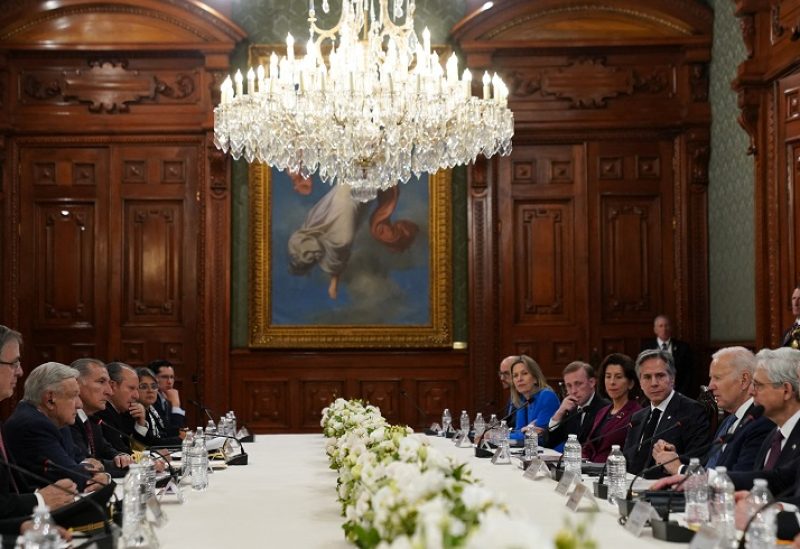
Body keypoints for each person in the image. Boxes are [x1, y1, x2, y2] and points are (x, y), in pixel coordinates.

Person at [287, 172, 418, 300]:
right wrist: (334, 283)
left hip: (353, 185)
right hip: (359, 190)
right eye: (309, 257)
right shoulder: (330, 235)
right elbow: (336, 260)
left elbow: (336, 261)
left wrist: (334, 283)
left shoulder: (316, 225)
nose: (310, 254)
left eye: (306, 255)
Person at [0, 326, 76, 535]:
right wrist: (40, 499)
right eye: (13, 363)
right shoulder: (29, 422)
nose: (20, 371)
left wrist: (22, 527)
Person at [652, 346, 772, 474]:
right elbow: (710, 465)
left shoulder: (760, 422)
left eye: (717, 378)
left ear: (744, 380)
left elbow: (738, 478)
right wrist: (673, 459)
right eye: (711, 378)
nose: (710, 386)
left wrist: (679, 469)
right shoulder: (730, 421)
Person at [3, 362, 109, 492]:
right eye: (73, 396)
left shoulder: (56, 420)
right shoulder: (33, 424)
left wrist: (93, 471)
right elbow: (73, 478)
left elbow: (81, 459)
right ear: (50, 399)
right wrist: (103, 476)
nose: (79, 404)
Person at [622, 349, 710, 478]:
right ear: (640, 383)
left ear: (672, 378)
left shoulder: (692, 412)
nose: (654, 383)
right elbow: (628, 462)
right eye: (647, 377)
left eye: (660, 376)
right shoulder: (637, 417)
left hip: (667, 490)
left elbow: (696, 462)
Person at [69, 358, 133, 476]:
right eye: (101, 381)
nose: (109, 392)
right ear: (76, 384)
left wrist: (120, 456)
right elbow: (85, 465)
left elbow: (106, 449)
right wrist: (137, 467)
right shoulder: (67, 420)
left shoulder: (92, 420)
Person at [582, 353, 642, 463]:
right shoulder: (602, 411)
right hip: (589, 472)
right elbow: (589, 447)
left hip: (613, 473)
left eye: (618, 377)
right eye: (608, 376)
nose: (612, 382)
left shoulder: (637, 413)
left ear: (631, 383)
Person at [544, 361, 609, 451]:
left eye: (578, 384)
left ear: (592, 382)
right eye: (569, 386)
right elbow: (549, 443)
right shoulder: (571, 410)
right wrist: (559, 413)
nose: (573, 391)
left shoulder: (605, 409)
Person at [95, 362, 148, 454]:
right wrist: (150, 459)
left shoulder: (123, 412)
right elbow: (124, 453)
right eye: (131, 388)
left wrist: (140, 424)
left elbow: (136, 448)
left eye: (137, 389)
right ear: (112, 386)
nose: (137, 396)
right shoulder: (102, 412)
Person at [507, 355, 559, 441]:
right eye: (515, 375)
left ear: (535, 378)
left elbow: (536, 437)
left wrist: (498, 436)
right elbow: (519, 432)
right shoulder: (522, 400)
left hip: (552, 452)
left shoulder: (547, 396)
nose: (519, 379)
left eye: (524, 373)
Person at [641, 315, 694, 396]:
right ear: (655, 330)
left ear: (671, 328)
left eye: (666, 326)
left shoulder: (683, 348)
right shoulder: (647, 348)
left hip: (679, 393)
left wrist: (680, 394)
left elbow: (689, 374)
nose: (664, 329)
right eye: (661, 326)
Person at [136, 368, 182, 448]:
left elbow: (166, 433)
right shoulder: (135, 411)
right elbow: (150, 443)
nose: (150, 390)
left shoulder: (152, 409)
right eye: (144, 387)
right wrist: (182, 440)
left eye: (154, 386)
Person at [149, 359, 185, 437]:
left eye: (172, 377)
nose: (169, 382)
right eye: (164, 377)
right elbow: (174, 432)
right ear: (153, 379)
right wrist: (176, 405)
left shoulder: (169, 397)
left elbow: (180, 428)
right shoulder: (150, 399)